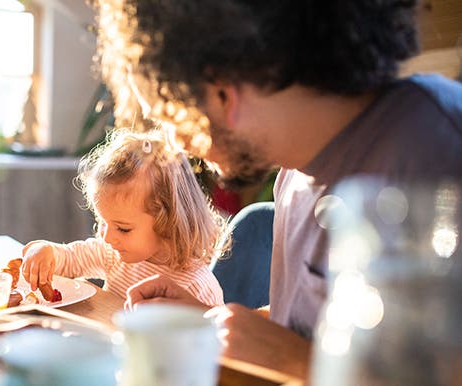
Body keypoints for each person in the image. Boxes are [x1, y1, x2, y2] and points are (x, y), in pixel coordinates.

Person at [93, 0, 462, 339]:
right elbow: (307, 327)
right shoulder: (294, 171)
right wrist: (207, 319)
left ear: (222, 89)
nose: (177, 143)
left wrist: (296, 362)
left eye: (173, 115)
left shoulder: (435, 150)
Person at [21, 129, 230, 307]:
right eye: (104, 222)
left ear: (167, 223)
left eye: (122, 228)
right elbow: (71, 259)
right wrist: (48, 253)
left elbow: (213, 348)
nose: (108, 238)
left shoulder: (196, 289)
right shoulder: (113, 255)